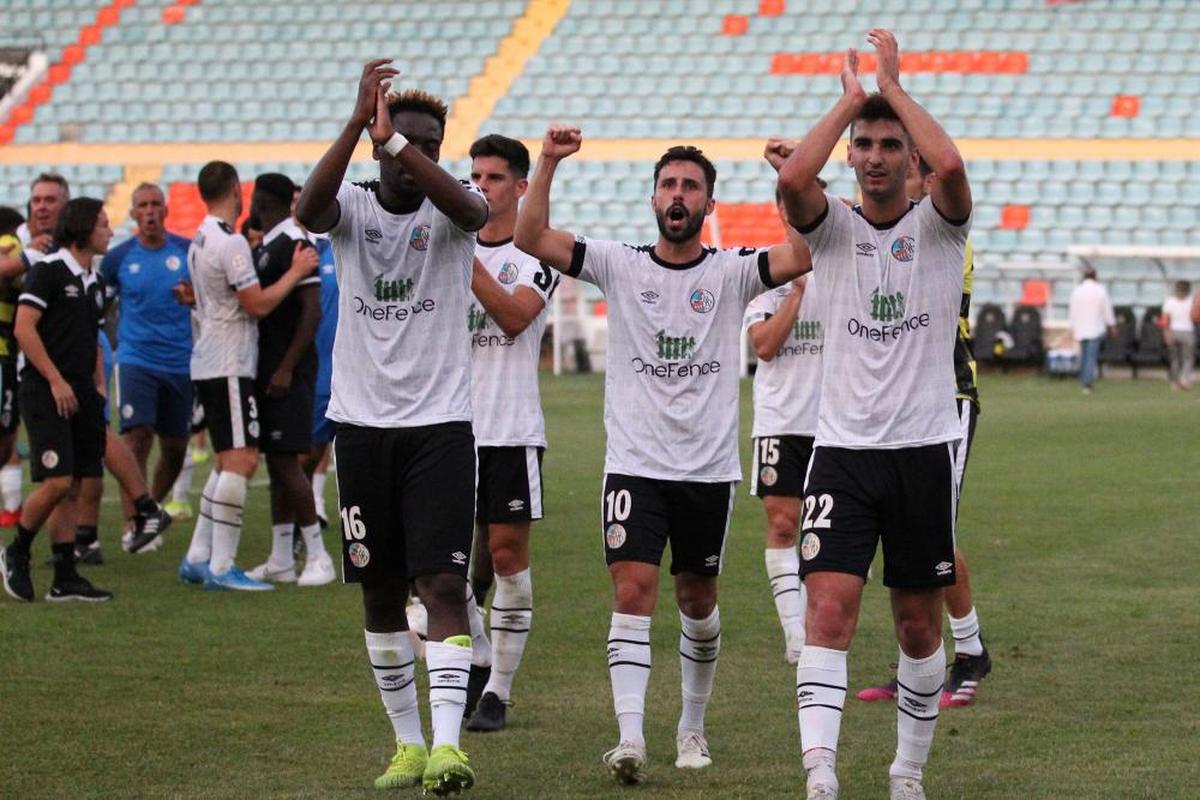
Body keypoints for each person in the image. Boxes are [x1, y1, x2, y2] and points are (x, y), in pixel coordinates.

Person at [514, 125, 809, 783]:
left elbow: (807, 252)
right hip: (634, 465)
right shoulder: (619, 263)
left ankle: (692, 727)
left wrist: (791, 182)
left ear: (708, 203)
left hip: (706, 470)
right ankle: (629, 738)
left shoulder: (733, 270)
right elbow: (531, 237)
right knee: (633, 588)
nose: (679, 196)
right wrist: (549, 163)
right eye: (669, 185)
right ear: (653, 197)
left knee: (697, 598)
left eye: (691, 187)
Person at [776, 29, 973, 800]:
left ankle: (906, 772)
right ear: (851, 155)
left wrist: (894, 84)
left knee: (919, 629)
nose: (878, 154)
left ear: (910, 160)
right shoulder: (832, 229)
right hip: (845, 452)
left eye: (892, 143)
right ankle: (820, 772)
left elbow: (951, 167)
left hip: (922, 448)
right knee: (828, 611)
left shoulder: (941, 226)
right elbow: (795, 176)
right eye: (866, 143)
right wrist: (852, 99)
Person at [295, 60, 489, 795]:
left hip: (439, 426)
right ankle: (407, 746)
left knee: (443, 581)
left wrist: (398, 146)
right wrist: (356, 127)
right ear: (377, 145)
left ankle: (448, 748)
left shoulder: (452, 210)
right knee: (378, 591)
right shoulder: (352, 204)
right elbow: (309, 211)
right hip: (362, 428)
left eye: (431, 145)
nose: (417, 154)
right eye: (404, 140)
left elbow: (476, 213)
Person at [857, 157, 993, 709]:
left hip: (949, 398)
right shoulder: (895, 239)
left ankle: (969, 654)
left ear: (930, 183)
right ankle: (921, 662)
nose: (888, 174)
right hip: (905, 406)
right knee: (914, 537)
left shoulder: (941, 236)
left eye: (906, 170)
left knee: (935, 537)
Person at [176, 160, 315, 591]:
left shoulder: (200, 238)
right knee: (242, 460)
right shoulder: (231, 242)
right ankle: (222, 567)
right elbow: (256, 304)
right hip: (230, 361)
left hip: (211, 358)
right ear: (236, 189)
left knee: (224, 461)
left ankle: (198, 556)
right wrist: (295, 273)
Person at [460, 133, 558, 734]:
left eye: (494, 177)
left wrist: (460, 260)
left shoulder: (534, 256)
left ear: (521, 186)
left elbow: (515, 317)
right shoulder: (452, 249)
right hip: (448, 430)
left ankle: (498, 689)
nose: (481, 186)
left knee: (506, 560)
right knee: (444, 566)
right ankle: (476, 653)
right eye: (474, 175)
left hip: (510, 428)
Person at [1, 198, 113, 602]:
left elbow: (94, 339)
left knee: (75, 483)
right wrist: (56, 380)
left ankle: (65, 576)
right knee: (57, 480)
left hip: (81, 390)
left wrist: (97, 386)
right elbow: (24, 328)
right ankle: (16, 551)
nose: (110, 231)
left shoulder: (94, 281)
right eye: (103, 224)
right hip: (46, 389)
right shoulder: (49, 271)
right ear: (84, 228)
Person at [242, 173, 333, 587]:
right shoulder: (268, 248)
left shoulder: (296, 245)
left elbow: (311, 311)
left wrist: (286, 366)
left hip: (288, 371)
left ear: (262, 201)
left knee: (288, 460)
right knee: (278, 461)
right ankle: (280, 556)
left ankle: (317, 555)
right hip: (269, 368)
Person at [744, 179, 821, 668]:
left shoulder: (843, 270)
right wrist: (796, 294)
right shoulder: (765, 273)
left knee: (822, 532)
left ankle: (817, 626)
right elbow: (764, 346)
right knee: (783, 523)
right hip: (780, 421)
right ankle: (795, 632)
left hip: (835, 422)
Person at [99, 183, 193, 528]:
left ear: (165, 211)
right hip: (136, 359)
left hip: (180, 361)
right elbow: (99, 307)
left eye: (156, 204)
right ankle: (133, 522)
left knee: (176, 447)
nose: (150, 211)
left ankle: (149, 506)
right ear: (134, 213)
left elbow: (208, 298)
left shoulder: (186, 251)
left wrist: (193, 297)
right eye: (143, 205)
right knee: (136, 437)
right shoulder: (118, 258)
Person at [3, 173, 68, 527]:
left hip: (64, 360)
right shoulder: (15, 242)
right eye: (36, 200)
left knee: (70, 464)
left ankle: (80, 543)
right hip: (19, 360)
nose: (41, 207)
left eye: (50, 200)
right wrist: (25, 258)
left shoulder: (74, 244)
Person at [0, 207, 27, 530]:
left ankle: (12, 507)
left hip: (5, 352)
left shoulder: (10, 241)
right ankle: (11, 506)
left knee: (6, 436)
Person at [1067, 267, 1115, 395]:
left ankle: (1084, 380)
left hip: (1081, 328)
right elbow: (1107, 310)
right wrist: (1112, 325)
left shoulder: (1077, 291)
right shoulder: (1100, 290)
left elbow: (1072, 311)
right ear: (1095, 276)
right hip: (1095, 328)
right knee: (1091, 357)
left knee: (1084, 355)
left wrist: (1072, 326)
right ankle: (1087, 383)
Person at [1160, 280, 1195, 390]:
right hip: (1188, 332)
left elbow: (1164, 320)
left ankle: (1175, 383)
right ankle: (1184, 379)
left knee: (1174, 359)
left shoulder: (1170, 301)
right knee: (1188, 358)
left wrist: (1166, 334)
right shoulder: (1192, 301)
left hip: (1173, 331)